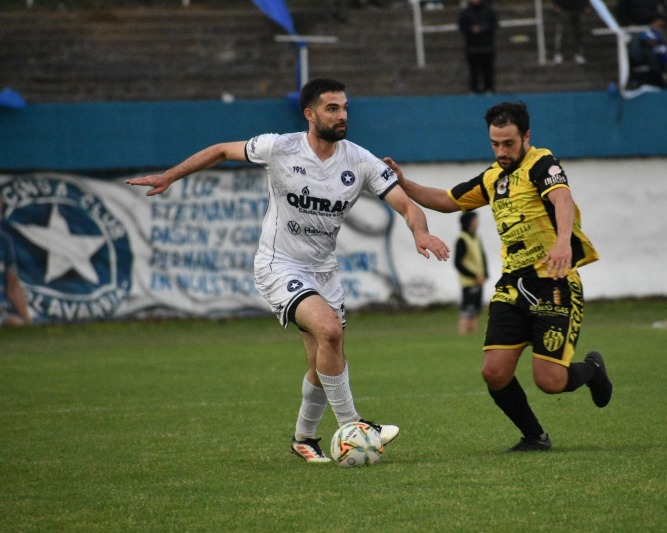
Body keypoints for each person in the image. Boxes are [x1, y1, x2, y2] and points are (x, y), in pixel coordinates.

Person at [127, 78, 451, 463]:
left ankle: (303, 438)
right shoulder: (279, 147)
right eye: (332, 108)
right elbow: (219, 151)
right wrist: (170, 176)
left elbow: (406, 204)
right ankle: (355, 425)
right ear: (310, 114)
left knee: (325, 358)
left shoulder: (360, 160)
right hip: (279, 265)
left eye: (345, 107)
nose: (343, 115)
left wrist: (421, 232)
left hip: (323, 272)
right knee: (329, 329)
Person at [384, 101, 612, 452]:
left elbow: (562, 200)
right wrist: (404, 183)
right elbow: (447, 200)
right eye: (495, 144)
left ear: (526, 136)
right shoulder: (493, 178)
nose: (502, 151)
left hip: (554, 283)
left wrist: (563, 242)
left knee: (549, 381)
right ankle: (534, 437)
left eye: (508, 143)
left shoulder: (543, 164)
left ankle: (593, 370)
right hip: (513, 286)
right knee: (494, 372)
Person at [454, 211, 487, 334]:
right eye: (474, 220)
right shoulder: (462, 239)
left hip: (479, 279)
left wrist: (485, 274)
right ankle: (462, 334)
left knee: (475, 311)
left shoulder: (476, 237)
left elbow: (482, 257)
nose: (477, 222)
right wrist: (473, 275)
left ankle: (472, 335)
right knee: (467, 311)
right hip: (469, 281)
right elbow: (458, 263)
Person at [459, 0, 499, 94]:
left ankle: (489, 89)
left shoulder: (488, 11)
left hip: (487, 46)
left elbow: (494, 25)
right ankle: (473, 89)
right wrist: (470, 29)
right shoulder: (466, 12)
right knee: (473, 70)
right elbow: (461, 26)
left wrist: (482, 28)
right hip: (472, 47)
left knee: (488, 70)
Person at [0, 226, 32, 327]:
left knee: (15, 323)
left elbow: (13, 287)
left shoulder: (4, 240)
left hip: (3, 315)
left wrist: (28, 323)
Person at [552, 0, 590, 65]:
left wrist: (586, 4)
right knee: (562, 31)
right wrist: (556, 4)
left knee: (579, 32)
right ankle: (558, 53)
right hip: (564, 8)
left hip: (579, 8)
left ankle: (578, 53)